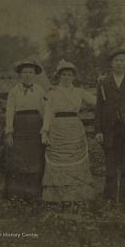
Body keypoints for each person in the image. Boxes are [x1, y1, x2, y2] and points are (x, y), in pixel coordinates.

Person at [41, 60, 96, 203]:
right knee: (58, 159)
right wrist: (45, 131)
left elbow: (98, 102)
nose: (66, 77)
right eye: (63, 74)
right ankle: (57, 198)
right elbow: (47, 112)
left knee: (74, 161)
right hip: (57, 129)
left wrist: (102, 84)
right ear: (59, 76)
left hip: (74, 130)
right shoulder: (52, 93)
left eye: (69, 74)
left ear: (73, 76)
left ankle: (77, 197)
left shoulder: (80, 92)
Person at [94, 47, 125, 204]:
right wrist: (98, 130)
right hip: (110, 130)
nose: (119, 63)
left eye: (122, 60)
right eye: (116, 60)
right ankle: (109, 199)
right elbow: (99, 110)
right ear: (111, 64)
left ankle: (124, 201)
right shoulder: (103, 83)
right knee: (110, 168)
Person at [4, 59, 46, 201]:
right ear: (20, 74)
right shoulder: (14, 91)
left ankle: (34, 195)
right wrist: (9, 133)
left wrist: (45, 129)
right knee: (19, 161)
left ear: (34, 74)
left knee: (35, 159)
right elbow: (9, 112)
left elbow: (45, 111)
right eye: (25, 72)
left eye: (30, 72)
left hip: (36, 128)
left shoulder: (40, 90)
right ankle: (18, 195)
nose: (27, 75)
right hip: (20, 128)